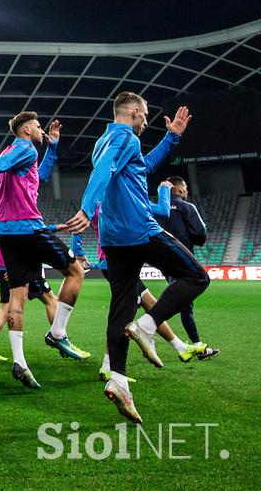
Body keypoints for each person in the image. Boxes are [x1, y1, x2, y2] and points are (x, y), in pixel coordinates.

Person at [65, 95, 208, 423]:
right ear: (132, 112)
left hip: (113, 241)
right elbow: (103, 172)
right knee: (197, 277)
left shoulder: (104, 140)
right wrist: (88, 207)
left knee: (122, 306)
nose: (146, 121)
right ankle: (147, 326)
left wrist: (171, 138)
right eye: (144, 115)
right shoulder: (124, 137)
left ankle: (118, 380)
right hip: (138, 230)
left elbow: (139, 167)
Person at [0, 114, 86, 391]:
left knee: (17, 297)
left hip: (6, 235)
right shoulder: (24, 148)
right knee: (75, 271)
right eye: (38, 127)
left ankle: (20, 362)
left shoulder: (15, 153)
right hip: (27, 229)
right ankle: (58, 333)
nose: (41, 130)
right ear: (26, 129)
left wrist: (53, 147)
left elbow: (40, 175)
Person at [156, 176, 219, 359]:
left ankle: (197, 345)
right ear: (181, 190)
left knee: (183, 303)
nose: (187, 193)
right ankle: (147, 326)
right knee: (179, 301)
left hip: (163, 260)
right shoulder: (187, 207)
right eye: (186, 190)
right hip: (183, 259)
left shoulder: (157, 209)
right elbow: (200, 233)